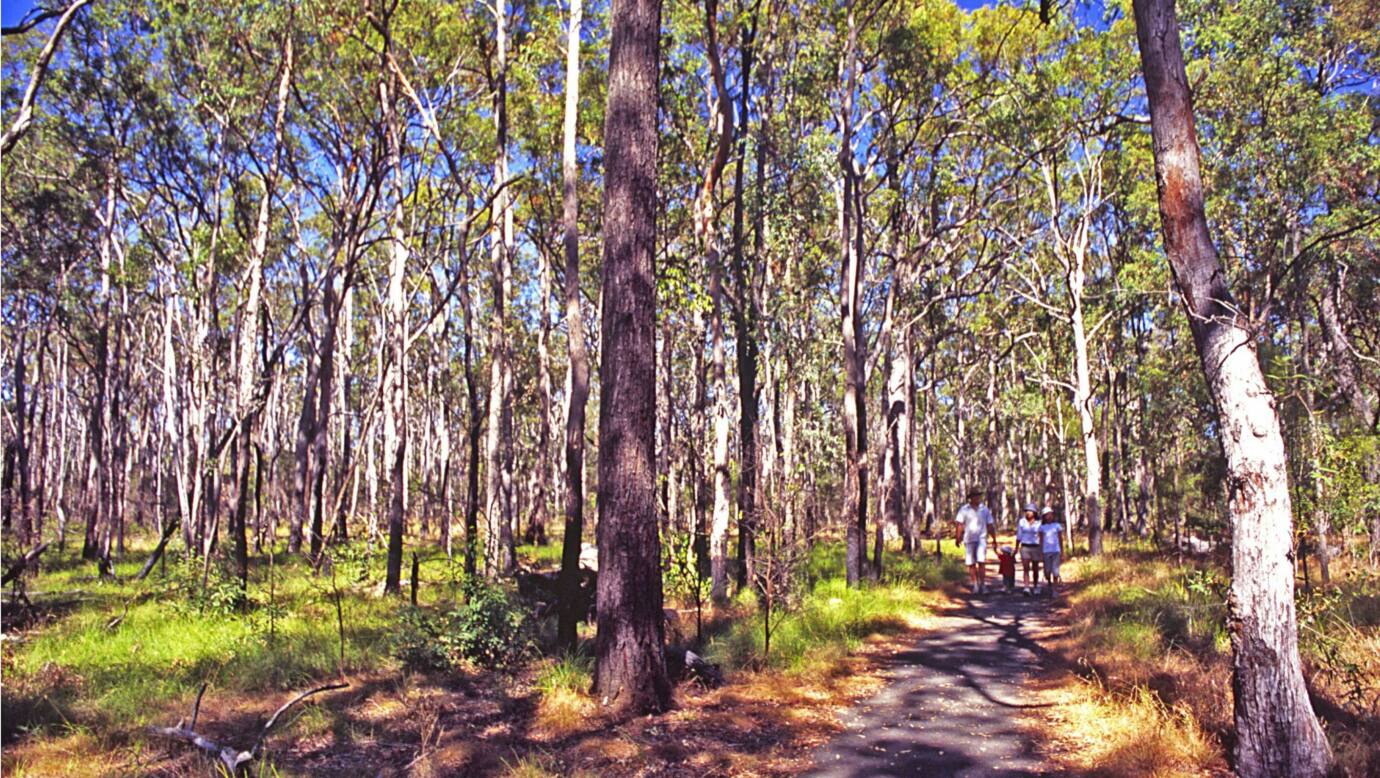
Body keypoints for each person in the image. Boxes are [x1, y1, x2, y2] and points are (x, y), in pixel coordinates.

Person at [955, 487, 997, 593]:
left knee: (981, 561)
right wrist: (958, 537)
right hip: (969, 539)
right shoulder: (964, 509)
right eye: (975, 496)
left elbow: (990, 524)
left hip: (981, 538)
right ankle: (975, 585)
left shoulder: (984, 509)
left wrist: (994, 538)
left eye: (978, 495)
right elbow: (959, 524)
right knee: (971, 563)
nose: (977, 498)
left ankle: (983, 585)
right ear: (971, 498)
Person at [1016, 503, 1042, 595]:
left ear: (1034, 513)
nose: (1028, 513)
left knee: (1035, 568)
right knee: (1026, 568)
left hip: (1036, 546)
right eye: (1026, 511)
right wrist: (1016, 548)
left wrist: (1042, 548)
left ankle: (1035, 585)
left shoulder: (1039, 523)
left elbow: (1041, 535)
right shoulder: (1022, 522)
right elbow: (1019, 535)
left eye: (1030, 511)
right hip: (1025, 546)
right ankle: (1026, 587)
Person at [1038, 505, 1065, 596]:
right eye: (1047, 515)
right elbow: (1041, 540)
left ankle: (1055, 590)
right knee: (1047, 571)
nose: (1049, 516)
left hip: (1056, 551)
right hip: (1046, 551)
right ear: (1044, 517)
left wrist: (1062, 552)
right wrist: (1041, 552)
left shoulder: (1057, 526)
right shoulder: (1042, 528)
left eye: (1050, 515)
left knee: (1056, 572)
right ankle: (1048, 581)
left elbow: (1060, 539)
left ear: (1053, 516)